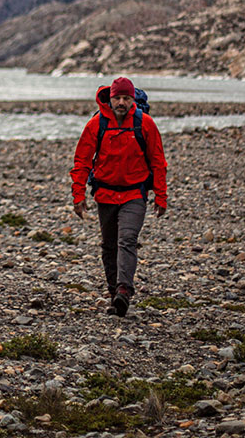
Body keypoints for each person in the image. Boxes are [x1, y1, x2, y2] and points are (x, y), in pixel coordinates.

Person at [71, 76, 168, 316]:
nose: (122, 102)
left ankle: (124, 291)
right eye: (118, 98)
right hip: (105, 193)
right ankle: (114, 290)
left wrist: (161, 196)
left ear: (133, 99)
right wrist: (78, 195)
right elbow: (82, 161)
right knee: (109, 245)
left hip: (135, 193)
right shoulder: (96, 124)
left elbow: (158, 162)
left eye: (126, 98)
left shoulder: (145, 124)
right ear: (110, 99)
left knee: (127, 240)